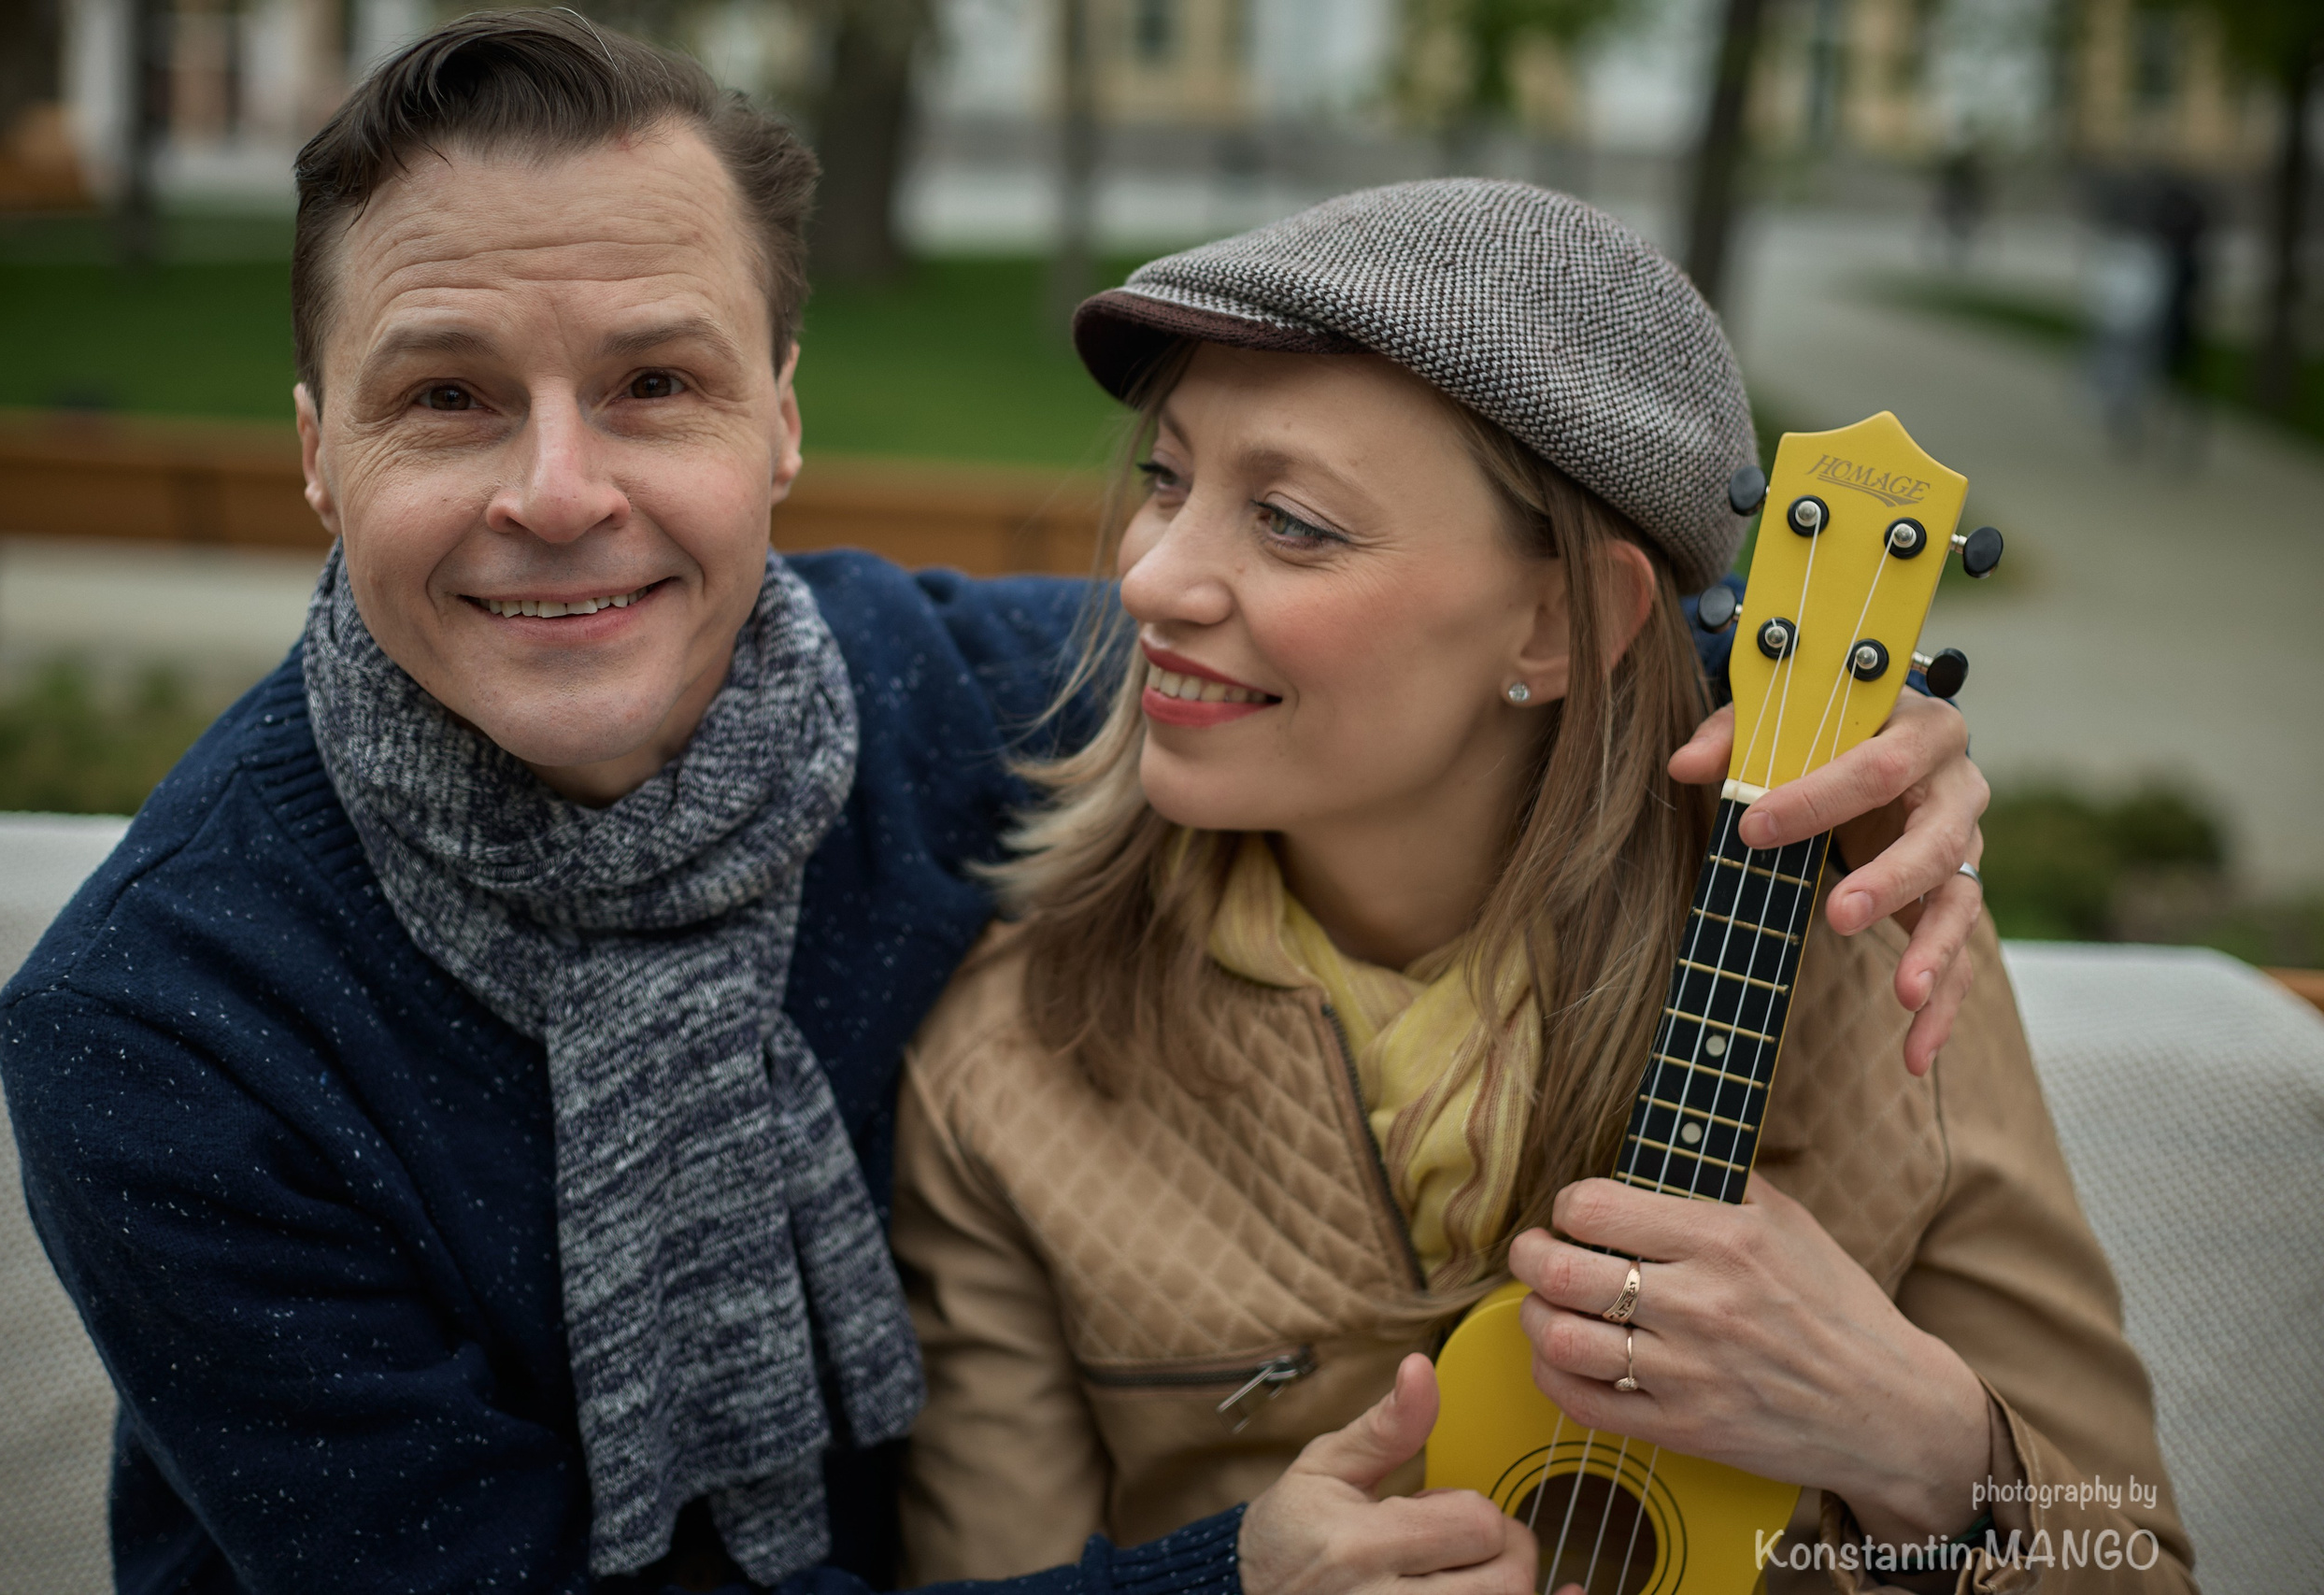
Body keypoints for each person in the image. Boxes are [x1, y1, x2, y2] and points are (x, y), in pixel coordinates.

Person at [0, 15, 1990, 1594]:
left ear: (781, 413)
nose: (554, 489)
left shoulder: (954, 701)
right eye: (443, 396)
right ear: (316, 453)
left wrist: (1827, 712)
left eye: (652, 384)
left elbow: (1389, 637)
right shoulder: (163, 1024)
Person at [891, 184, 2193, 1592]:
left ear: (1563, 621)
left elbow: (2140, 1568)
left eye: (1290, 521)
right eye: (1166, 477)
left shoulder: (1872, 956)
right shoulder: (1015, 1055)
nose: (1151, 576)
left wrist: (1934, 1448)